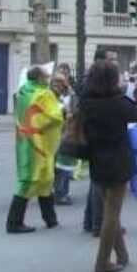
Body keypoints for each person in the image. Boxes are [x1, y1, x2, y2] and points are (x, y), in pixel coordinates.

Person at [79, 61, 137, 272]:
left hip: (96, 157)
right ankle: (102, 262)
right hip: (117, 158)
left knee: (110, 208)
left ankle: (122, 254)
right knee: (112, 212)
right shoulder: (117, 102)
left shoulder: (86, 101)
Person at [6, 66, 64, 234]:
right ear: (39, 78)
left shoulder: (23, 92)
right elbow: (54, 116)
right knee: (38, 179)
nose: (48, 79)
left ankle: (50, 219)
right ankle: (14, 222)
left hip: (25, 140)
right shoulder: (44, 94)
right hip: (40, 142)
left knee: (35, 177)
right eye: (46, 76)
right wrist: (62, 110)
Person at [82, 49, 118, 235]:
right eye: (112, 60)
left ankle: (91, 221)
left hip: (95, 138)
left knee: (96, 182)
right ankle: (99, 224)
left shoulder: (91, 83)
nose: (115, 63)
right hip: (102, 140)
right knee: (101, 184)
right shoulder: (96, 86)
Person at [52, 73, 77, 206]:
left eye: (60, 83)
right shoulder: (50, 96)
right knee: (56, 166)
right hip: (54, 135)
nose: (57, 86)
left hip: (66, 134)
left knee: (64, 165)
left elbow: (75, 110)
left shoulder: (70, 96)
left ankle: (62, 192)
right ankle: (58, 192)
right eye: (55, 83)